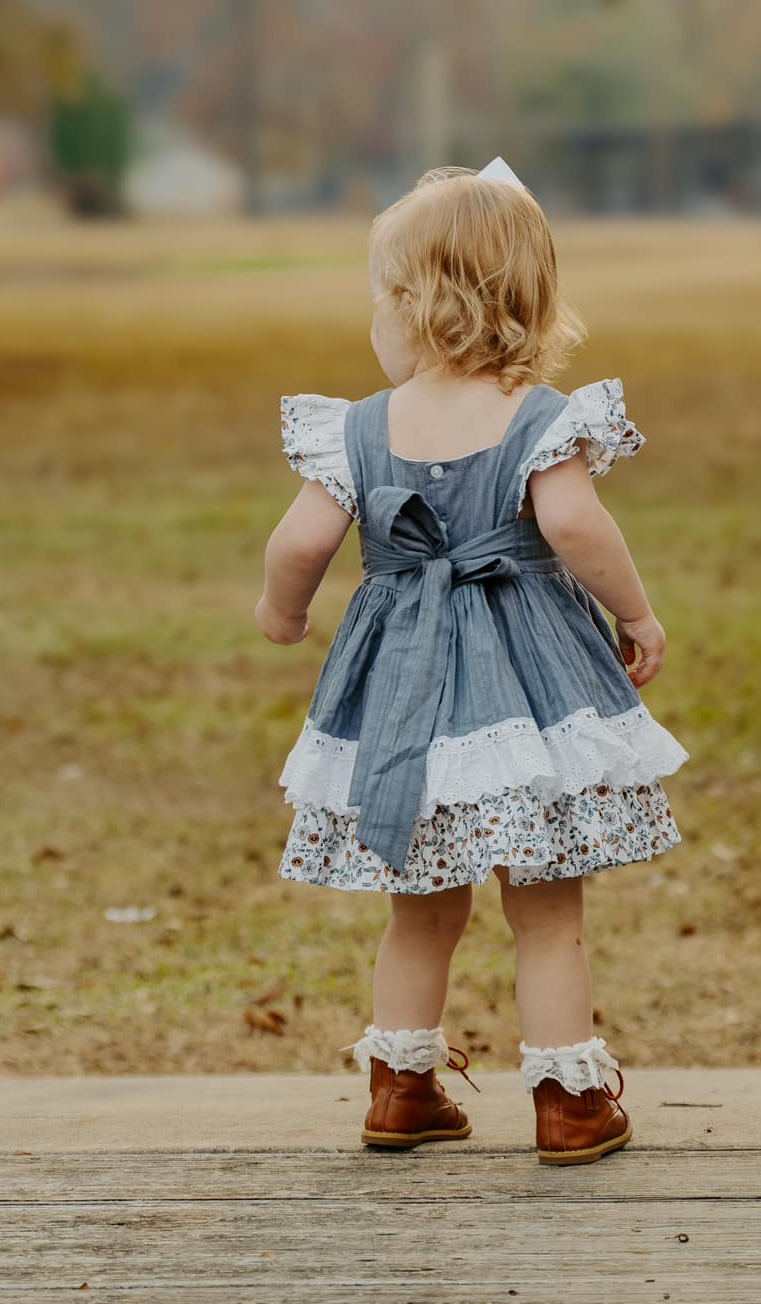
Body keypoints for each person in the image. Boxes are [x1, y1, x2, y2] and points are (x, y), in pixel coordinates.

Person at [255, 161, 688, 1163]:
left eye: (379, 295)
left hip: (407, 695)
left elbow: (298, 544)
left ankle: (401, 1087)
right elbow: (573, 522)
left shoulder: (360, 429)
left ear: (415, 306)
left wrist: (284, 611)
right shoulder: (539, 419)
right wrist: (635, 610)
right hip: (526, 694)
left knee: (420, 910)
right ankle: (570, 1102)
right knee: (545, 910)